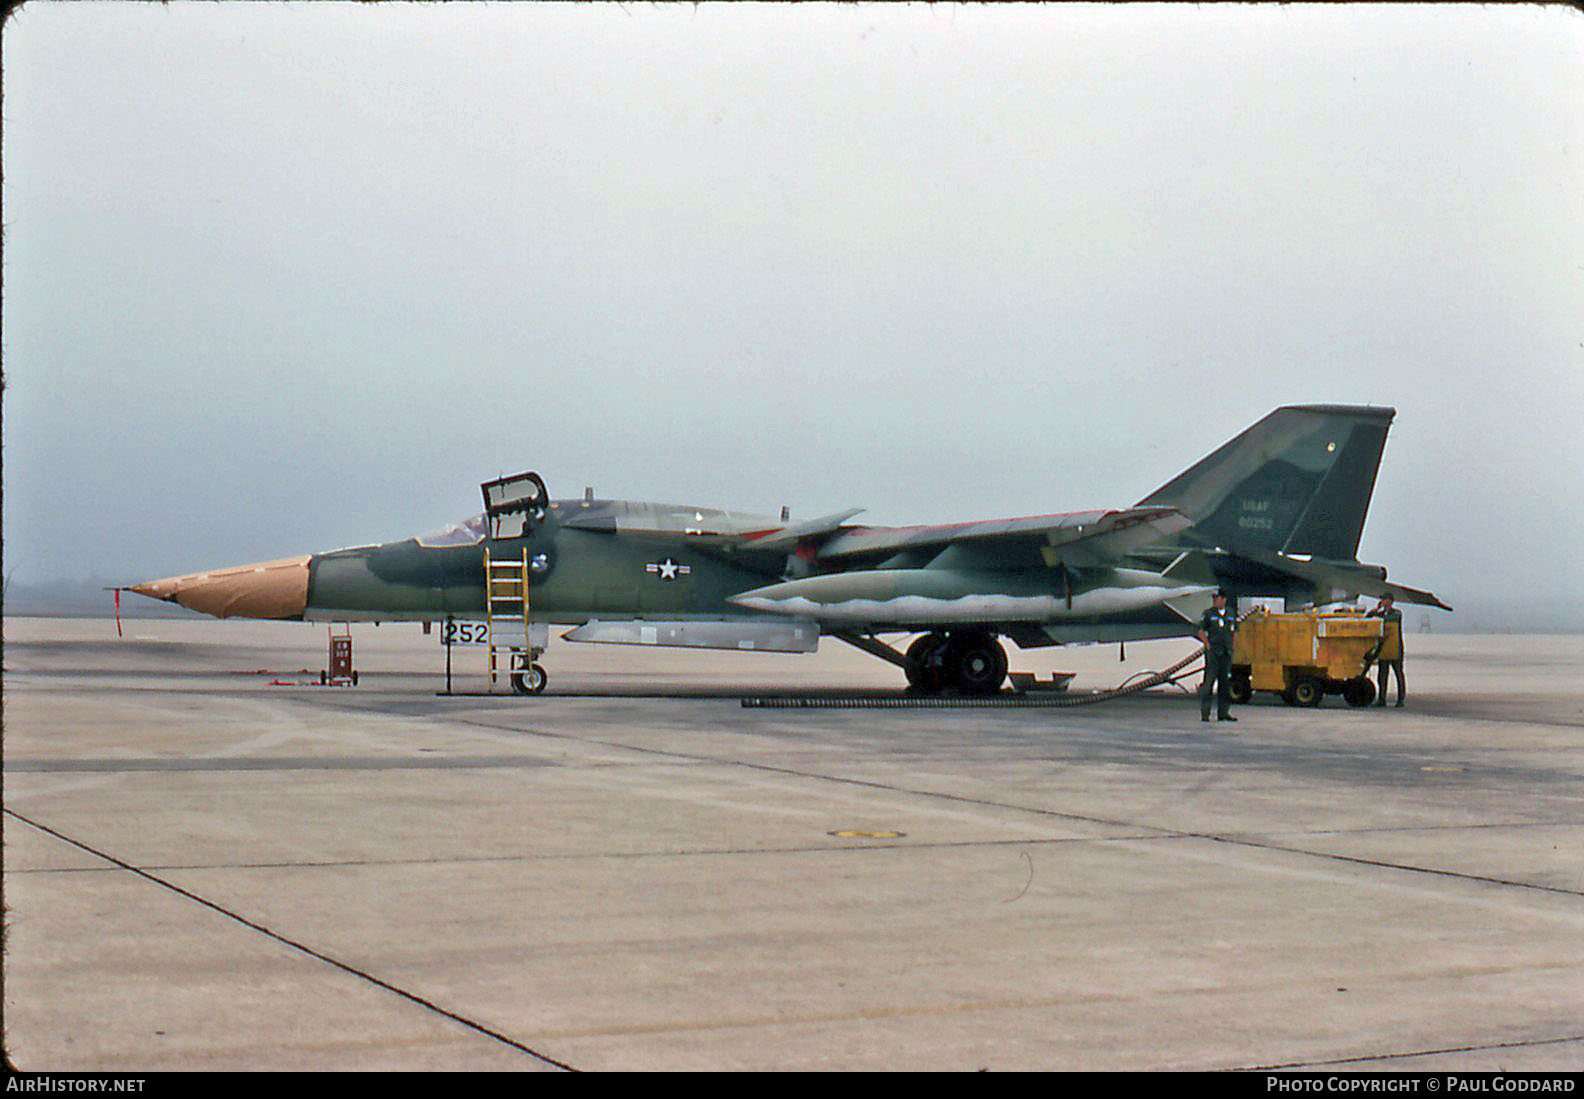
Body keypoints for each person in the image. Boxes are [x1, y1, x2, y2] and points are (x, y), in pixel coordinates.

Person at [1198, 590, 1238, 723]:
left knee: (1225, 685)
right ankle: (1205, 713)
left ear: (1224, 599)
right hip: (1214, 653)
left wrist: (1233, 645)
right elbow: (1201, 630)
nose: (1215, 600)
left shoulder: (1231, 613)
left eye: (1218, 598)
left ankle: (1223, 712)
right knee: (1208, 684)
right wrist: (1207, 644)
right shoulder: (1208, 614)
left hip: (1226, 653)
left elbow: (1234, 631)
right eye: (1214, 598)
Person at [1366, 593, 1406, 707]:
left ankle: (1400, 699)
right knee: (1382, 675)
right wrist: (1376, 610)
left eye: (1385, 599)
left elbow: (1389, 618)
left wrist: (1379, 613)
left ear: (1391, 601)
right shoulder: (1380, 614)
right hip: (1383, 649)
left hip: (1395, 649)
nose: (1383, 601)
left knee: (1398, 674)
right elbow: (1367, 617)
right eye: (1382, 599)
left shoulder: (1397, 614)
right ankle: (1382, 699)